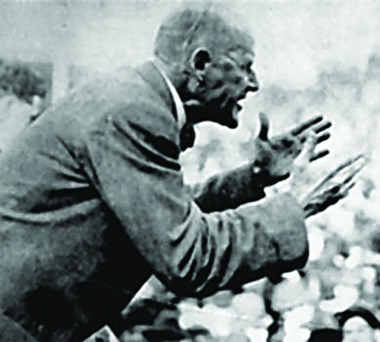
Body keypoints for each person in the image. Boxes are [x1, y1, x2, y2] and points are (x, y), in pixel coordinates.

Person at [0, 5, 349, 342]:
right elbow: (188, 258)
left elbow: (161, 216)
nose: (254, 83)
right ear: (200, 63)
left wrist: (254, 178)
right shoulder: (136, 112)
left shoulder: (133, 97)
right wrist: (295, 206)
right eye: (245, 67)